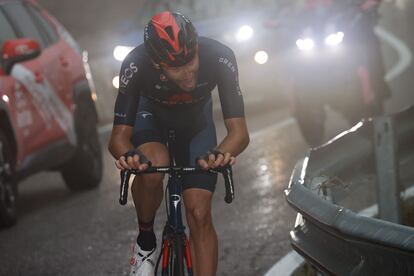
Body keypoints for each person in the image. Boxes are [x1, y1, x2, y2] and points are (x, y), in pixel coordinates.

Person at [108, 11, 249, 276]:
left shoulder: (219, 56)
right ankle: (146, 242)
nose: (187, 74)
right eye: (176, 67)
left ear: (196, 48)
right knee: (153, 164)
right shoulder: (135, 63)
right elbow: (118, 138)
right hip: (150, 117)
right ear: (156, 63)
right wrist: (129, 157)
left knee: (198, 212)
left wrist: (219, 155)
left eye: (190, 61)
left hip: (195, 124)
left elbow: (239, 133)